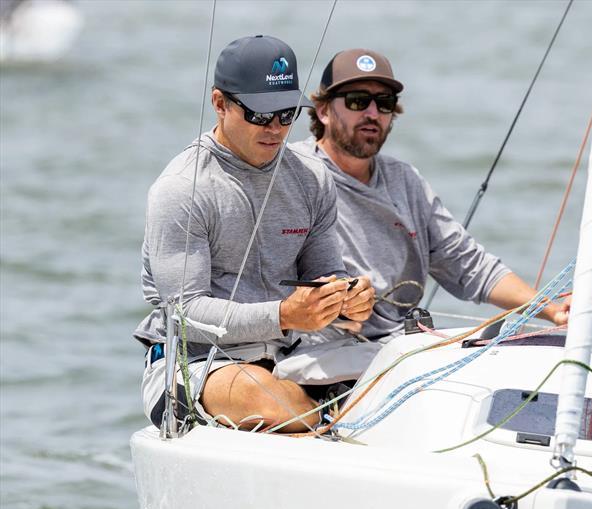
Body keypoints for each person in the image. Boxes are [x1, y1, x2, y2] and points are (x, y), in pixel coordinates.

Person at [134, 35, 376, 433]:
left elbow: (325, 275)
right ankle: (327, 424)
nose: (276, 128)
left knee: (415, 380)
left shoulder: (312, 178)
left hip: (290, 355)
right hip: (199, 362)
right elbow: (185, 314)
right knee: (272, 403)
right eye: (261, 115)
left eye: (286, 114)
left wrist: (347, 299)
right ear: (219, 103)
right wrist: (283, 316)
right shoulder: (181, 188)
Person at [287, 48, 569, 352]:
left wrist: (552, 310)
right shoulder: (295, 172)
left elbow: (470, 265)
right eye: (357, 101)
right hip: (320, 349)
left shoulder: (406, 181)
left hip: (401, 345)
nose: (372, 113)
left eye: (384, 103)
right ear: (323, 111)